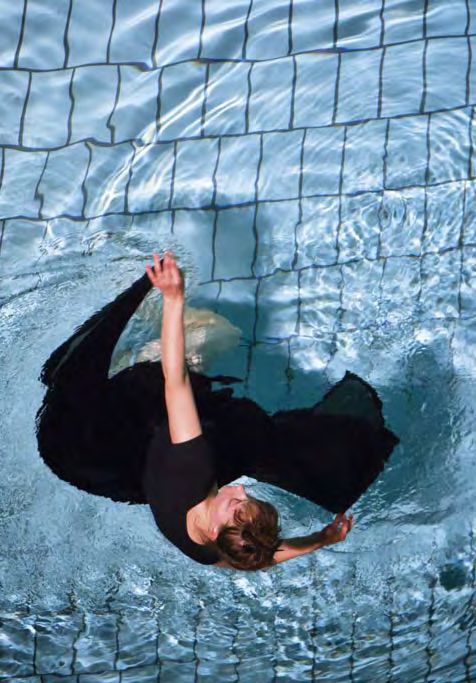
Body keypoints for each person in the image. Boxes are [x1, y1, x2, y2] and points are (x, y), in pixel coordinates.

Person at [36, 251, 399, 571]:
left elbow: (175, 381)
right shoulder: (214, 550)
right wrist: (319, 540)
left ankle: (139, 338)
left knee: (218, 333)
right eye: (248, 499)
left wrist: (173, 298)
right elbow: (260, 556)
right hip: (103, 475)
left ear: (213, 530)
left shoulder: (191, 466)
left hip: (87, 440)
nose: (240, 490)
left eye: (235, 504)